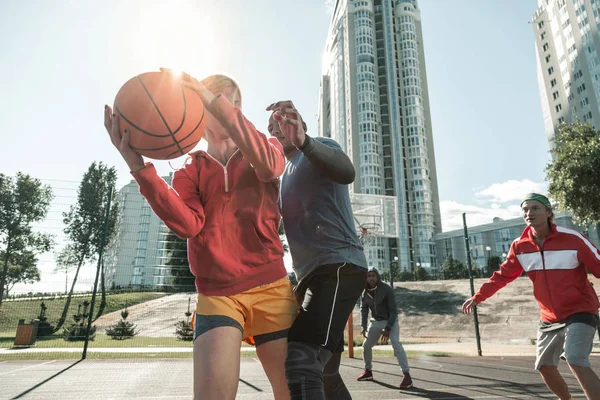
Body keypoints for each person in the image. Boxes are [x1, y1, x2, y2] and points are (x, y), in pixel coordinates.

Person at [105, 72, 297, 400]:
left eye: (229, 101)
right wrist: (138, 165)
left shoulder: (268, 149)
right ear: (196, 110)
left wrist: (211, 98)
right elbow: (189, 225)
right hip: (217, 293)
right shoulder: (188, 170)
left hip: (272, 288)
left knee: (297, 393)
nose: (221, 106)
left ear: (237, 109)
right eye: (210, 99)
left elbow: (268, 167)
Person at [266, 100, 368, 400]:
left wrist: (305, 142)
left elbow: (346, 171)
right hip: (312, 275)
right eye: (271, 129)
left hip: (338, 267)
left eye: (283, 123)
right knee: (324, 372)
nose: (276, 130)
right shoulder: (282, 177)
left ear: (300, 125)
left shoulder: (318, 147)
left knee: (299, 359)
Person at [463, 193, 600, 400]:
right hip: (549, 316)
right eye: (525, 209)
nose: (529, 213)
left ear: (548, 212)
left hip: (581, 309)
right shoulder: (520, 246)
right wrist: (478, 296)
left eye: (535, 208)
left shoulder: (572, 239)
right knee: (544, 366)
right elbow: (502, 276)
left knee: (575, 358)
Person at [356, 267, 412, 389]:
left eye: (373, 275)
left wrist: (387, 329)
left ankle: (407, 375)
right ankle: (368, 372)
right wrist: (363, 325)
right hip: (375, 322)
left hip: (390, 321)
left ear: (377, 277)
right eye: (368, 276)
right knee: (366, 346)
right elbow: (363, 309)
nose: (371, 278)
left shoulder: (387, 289)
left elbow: (393, 311)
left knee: (396, 343)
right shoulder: (364, 291)